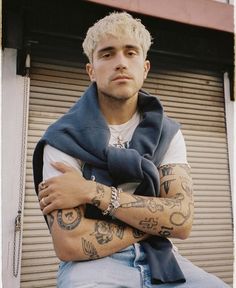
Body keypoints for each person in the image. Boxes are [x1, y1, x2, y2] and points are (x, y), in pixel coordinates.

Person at [33, 12, 230, 288]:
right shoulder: (62, 138)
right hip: (92, 267)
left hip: (162, 258)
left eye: (130, 52)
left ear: (145, 67)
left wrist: (93, 191)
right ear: (91, 70)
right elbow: (69, 243)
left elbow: (182, 221)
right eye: (107, 54)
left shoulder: (167, 133)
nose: (121, 63)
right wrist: (154, 222)